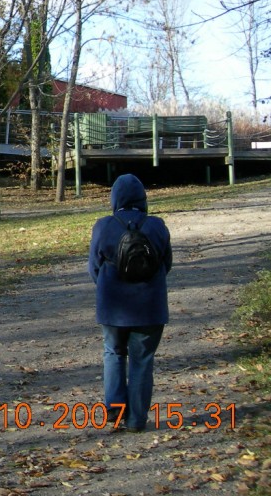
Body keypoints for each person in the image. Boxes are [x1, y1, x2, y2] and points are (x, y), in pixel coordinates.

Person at [88, 173, 173, 431]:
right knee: (142, 360)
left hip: (113, 309)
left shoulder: (104, 226)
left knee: (113, 353)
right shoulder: (157, 226)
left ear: (115, 198)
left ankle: (115, 408)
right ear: (142, 198)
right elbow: (166, 264)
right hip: (150, 309)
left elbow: (94, 267)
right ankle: (137, 420)